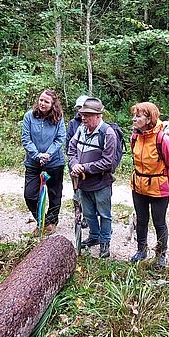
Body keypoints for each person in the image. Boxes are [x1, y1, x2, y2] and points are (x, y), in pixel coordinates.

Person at [68, 98, 120, 258]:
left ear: (98, 115)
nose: (83, 118)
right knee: (89, 214)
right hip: (83, 183)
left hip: (101, 182)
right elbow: (71, 149)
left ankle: (105, 242)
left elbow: (107, 162)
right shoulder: (81, 130)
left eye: (87, 115)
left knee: (104, 214)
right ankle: (94, 236)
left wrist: (84, 168)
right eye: (82, 114)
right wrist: (74, 164)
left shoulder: (108, 133)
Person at [129, 102, 169, 267]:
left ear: (149, 118)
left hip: (158, 187)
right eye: (134, 115)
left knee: (159, 222)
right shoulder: (135, 136)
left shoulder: (162, 139)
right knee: (142, 220)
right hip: (138, 186)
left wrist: (165, 183)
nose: (134, 119)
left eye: (138, 116)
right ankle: (141, 250)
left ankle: (161, 253)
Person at [21, 89, 66, 235]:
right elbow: (25, 139)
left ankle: (52, 222)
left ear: (53, 104)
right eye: (41, 100)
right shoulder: (29, 116)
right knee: (29, 194)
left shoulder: (58, 118)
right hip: (33, 163)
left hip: (54, 163)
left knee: (54, 194)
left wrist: (48, 154)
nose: (42, 103)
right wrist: (37, 155)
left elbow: (60, 138)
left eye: (46, 101)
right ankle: (42, 221)